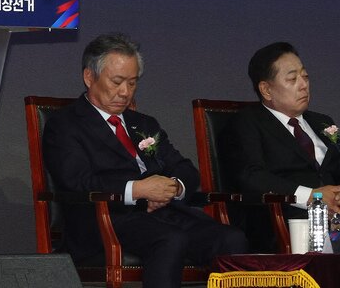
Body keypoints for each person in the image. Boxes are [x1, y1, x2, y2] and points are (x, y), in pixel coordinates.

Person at [44, 33, 247, 288]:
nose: (125, 92)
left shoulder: (144, 124)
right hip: (105, 219)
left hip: (163, 213)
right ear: (89, 77)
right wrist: (139, 190)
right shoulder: (65, 124)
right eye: (117, 82)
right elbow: (77, 181)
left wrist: (173, 187)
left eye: (132, 83)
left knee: (230, 238)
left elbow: (185, 169)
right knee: (170, 239)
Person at [219, 42, 340, 251]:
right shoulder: (247, 123)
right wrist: (312, 197)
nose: (304, 85)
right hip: (288, 222)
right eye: (292, 79)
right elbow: (252, 176)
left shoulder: (322, 122)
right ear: (266, 89)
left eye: (305, 76)